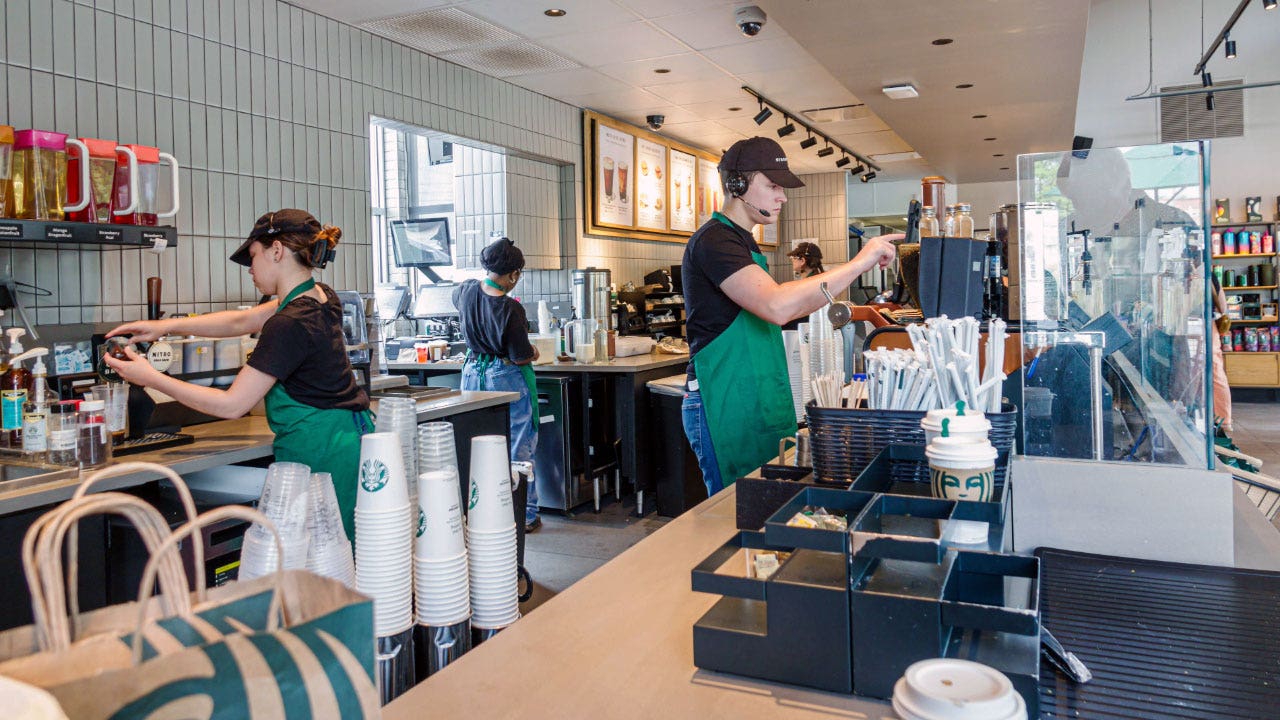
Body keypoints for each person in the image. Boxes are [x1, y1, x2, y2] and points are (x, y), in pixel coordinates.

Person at [104, 209, 373, 542]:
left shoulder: (288, 323)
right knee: (345, 556)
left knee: (322, 560)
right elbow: (241, 321)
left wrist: (149, 377)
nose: (250, 269)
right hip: (349, 439)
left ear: (277, 251)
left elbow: (232, 404)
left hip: (320, 455)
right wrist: (164, 327)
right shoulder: (320, 295)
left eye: (253, 256)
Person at [681, 137, 899, 495]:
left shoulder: (744, 241)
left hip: (752, 395)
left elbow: (795, 304)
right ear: (736, 184)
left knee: (764, 505)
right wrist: (862, 261)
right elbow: (777, 305)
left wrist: (861, 265)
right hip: (725, 402)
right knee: (733, 511)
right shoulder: (715, 241)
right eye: (773, 186)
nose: (782, 197)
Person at [452, 238, 542, 532]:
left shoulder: (465, 291)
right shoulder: (511, 309)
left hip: (471, 373)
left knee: (477, 443)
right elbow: (520, 356)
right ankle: (524, 515)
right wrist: (534, 352)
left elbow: (462, 303)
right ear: (513, 274)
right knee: (517, 445)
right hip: (503, 376)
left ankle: (482, 512)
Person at [783, 242, 824, 330]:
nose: (792, 260)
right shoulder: (818, 280)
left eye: (793, 258)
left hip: (805, 329)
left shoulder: (807, 285)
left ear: (802, 261)